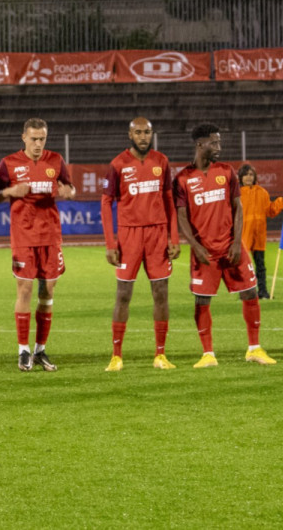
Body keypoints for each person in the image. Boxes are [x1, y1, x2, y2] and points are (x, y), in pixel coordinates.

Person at [173, 123, 276, 367]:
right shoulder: (183, 179)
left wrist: (237, 242)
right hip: (204, 252)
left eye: (220, 142)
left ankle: (254, 348)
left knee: (250, 292)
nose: (219, 146)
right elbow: (181, 215)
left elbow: (237, 208)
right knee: (202, 300)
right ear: (200, 144)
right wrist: (196, 247)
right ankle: (208, 354)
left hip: (231, 247)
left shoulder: (227, 172)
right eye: (214, 142)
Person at [0, 118, 76, 372]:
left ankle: (40, 349)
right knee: (24, 291)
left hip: (51, 237)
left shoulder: (56, 160)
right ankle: (23, 350)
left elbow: (69, 187)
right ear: (23, 137)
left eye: (42, 139)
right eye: (34, 139)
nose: (38, 144)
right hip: (24, 238)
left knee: (47, 292)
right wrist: (9, 192)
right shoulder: (9, 163)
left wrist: (70, 191)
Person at [100, 117, 181, 372]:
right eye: (138, 132)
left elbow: (169, 200)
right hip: (129, 236)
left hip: (157, 235)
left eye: (147, 132)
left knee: (161, 292)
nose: (144, 137)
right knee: (123, 294)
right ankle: (116, 355)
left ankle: (160, 354)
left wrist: (174, 237)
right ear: (130, 135)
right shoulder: (118, 164)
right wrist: (111, 243)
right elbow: (105, 203)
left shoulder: (162, 161)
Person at [238, 163, 283, 299]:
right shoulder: (236, 194)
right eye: (245, 175)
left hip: (259, 235)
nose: (248, 177)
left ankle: (263, 292)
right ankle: (245, 292)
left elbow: (270, 210)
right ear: (240, 177)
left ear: (255, 177)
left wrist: (281, 201)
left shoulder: (262, 192)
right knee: (244, 267)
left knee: (260, 266)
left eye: (251, 174)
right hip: (243, 235)